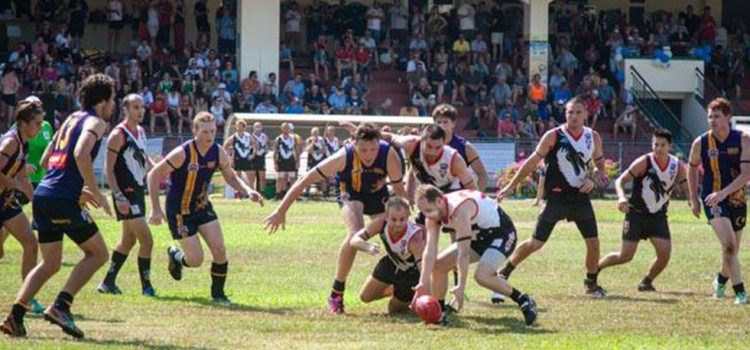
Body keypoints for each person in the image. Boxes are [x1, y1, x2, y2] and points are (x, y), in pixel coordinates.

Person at [1, 74, 116, 339]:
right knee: (98, 254)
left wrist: (71, 187)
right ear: (103, 100)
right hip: (62, 197)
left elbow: (45, 159)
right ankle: (61, 306)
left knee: (50, 263)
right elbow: (80, 153)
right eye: (112, 99)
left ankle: (14, 317)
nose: (113, 105)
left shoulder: (71, 118)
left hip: (45, 194)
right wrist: (95, 191)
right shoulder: (96, 122)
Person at [264, 123, 407, 314]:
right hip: (350, 192)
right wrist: (281, 210)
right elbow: (303, 180)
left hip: (376, 194)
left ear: (379, 144)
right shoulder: (343, 156)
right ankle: (336, 291)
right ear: (354, 145)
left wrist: (407, 218)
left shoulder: (388, 154)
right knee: (354, 234)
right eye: (363, 149)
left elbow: (399, 191)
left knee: (398, 229)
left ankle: (407, 282)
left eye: (373, 149)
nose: (369, 154)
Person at [147, 112, 264, 305]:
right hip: (180, 211)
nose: (209, 136)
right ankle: (176, 256)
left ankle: (218, 295)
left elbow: (231, 176)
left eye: (212, 131)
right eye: (204, 132)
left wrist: (248, 190)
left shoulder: (218, 151)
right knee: (196, 260)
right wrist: (155, 209)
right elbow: (153, 174)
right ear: (195, 131)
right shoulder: (183, 153)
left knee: (219, 249)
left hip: (202, 206)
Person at [497, 96, 609, 297]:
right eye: (569, 112)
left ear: (585, 114)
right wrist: (511, 186)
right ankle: (504, 271)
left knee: (593, 242)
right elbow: (531, 162)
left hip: (580, 199)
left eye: (577, 112)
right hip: (556, 198)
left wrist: (593, 177)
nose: (573, 116)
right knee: (535, 243)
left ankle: (591, 284)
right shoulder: (553, 136)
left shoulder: (593, 137)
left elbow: (600, 164)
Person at [413, 185, 537, 326]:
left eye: (429, 210)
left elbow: (463, 254)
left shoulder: (460, 210)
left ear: (439, 201)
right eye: (423, 212)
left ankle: (523, 299)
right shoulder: (434, 214)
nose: (427, 216)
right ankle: (439, 314)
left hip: (501, 234)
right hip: (477, 236)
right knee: (438, 265)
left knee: (482, 276)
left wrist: (461, 286)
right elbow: (430, 250)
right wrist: (422, 282)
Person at [598, 130, 687, 292]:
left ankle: (646, 282)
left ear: (670, 147)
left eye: (662, 145)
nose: (658, 148)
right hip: (636, 215)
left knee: (664, 254)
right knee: (625, 256)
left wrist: (693, 200)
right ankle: (595, 269)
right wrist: (621, 197)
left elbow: (685, 185)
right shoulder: (644, 162)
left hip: (658, 217)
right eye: (655, 144)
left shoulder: (677, 165)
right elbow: (621, 180)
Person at [687, 98, 749, 304]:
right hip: (712, 199)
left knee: (732, 249)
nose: (712, 120)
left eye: (717, 116)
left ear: (728, 118)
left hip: (737, 199)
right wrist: (694, 198)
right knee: (729, 245)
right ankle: (740, 292)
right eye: (710, 116)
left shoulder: (743, 139)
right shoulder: (701, 142)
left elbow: (746, 174)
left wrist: (725, 192)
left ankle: (721, 280)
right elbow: (692, 168)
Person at [97, 94, 156, 297]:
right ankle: (146, 287)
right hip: (126, 193)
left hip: (138, 190)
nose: (141, 111)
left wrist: (155, 167)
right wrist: (118, 196)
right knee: (147, 241)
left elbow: (142, 155)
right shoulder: (118, 134)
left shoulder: (140, 131)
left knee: (128, 241)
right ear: (126, 110)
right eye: (136, 107)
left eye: (142, 107)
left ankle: (107, 282)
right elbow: (108, 169)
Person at [0, 100, 45, 315]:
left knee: (31, 243)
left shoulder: (24, 143)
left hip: (6, 202)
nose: (40, 126)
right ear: (24, 123)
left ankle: (27, 298)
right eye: (37, 123)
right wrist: (15, 184)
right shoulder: (10, 143)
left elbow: (23, 178)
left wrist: (37, 202)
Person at [349, 197, 424, 314]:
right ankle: (394, 289)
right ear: (386, 217)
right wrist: (365, 246)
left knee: (394, 310)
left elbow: (423, 269)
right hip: (391, 263)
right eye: (393, 219)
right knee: (365, 297)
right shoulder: (380, 223)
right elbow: (353, 240)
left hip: (410, 273)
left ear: (408, 216)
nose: (398, 224)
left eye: (402, 219)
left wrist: (425, 290)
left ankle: (404, 294)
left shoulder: (415, 237)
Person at [431, 104, 488, 191]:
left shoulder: (465, 147)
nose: (441, 125)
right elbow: (414, 172)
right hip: (435, 197)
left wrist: (476, 197)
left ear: (453, 124)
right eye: (438, 122)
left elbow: (482, 175)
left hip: (459, 196)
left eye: (445, 122)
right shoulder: (427, 145)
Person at [223, 119, 257, 196]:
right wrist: (228, 155)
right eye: (237, 126)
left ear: (244, 127)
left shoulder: (248, 136)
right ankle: (239, 193)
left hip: (247, 158)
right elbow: (226, 145)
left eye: (240, 126)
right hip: (237, 158)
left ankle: (252, 192)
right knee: (238, 176)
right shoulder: (234, 137)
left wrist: (253, 154)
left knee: (250, 175)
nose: (239, 128)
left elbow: (255, 144)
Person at [274, 123, 299, 200]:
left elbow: (296, 151)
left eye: (287, 128)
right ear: (281, 129)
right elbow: (275, 152)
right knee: (280, 178)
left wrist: (298, 162)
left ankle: (292, 195)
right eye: (284, 128)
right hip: (281, 161)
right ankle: (278, 195)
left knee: (292, 178)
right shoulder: (278, 139)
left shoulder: (293, 138)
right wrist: (275, 163)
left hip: (291, 161)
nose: (286, 130)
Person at [306, 127, 329, 196]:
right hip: (311, 161)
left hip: (320, 161)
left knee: (322, 178)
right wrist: (313, 143)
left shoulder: (322, 140)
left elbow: (324, 150)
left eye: (316, 132)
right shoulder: (309, 140)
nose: (315, 134)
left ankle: (324, 194)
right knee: (309, 177)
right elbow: (309, 151)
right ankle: (307, 193)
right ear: (311, 133)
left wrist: (315, 151)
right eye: (314, 133)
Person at [249, 122, 269, 192]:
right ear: (253, 128)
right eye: (256, 127)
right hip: (253, 157)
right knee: (252, 177)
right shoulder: (250, 136)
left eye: (259, 127)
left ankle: (262, 193)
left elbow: (266, 145)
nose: (258, 129)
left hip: (261, 157)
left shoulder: (264, 136)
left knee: (262, 177)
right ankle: (251, 192)